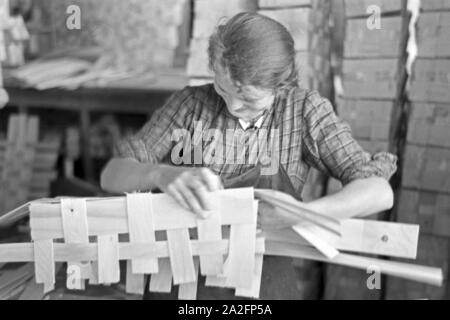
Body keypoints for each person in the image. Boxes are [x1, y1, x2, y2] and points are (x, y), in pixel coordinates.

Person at [101, 12, 397, 299]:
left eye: (247, 99)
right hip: (180, 278)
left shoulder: (303, 112)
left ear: (281, 87)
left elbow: (378, 192)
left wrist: (302, 215)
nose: (231, 106)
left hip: (260, 284)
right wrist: (160, 174)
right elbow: (111, 175)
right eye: (221, 87)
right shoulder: (190, 105)